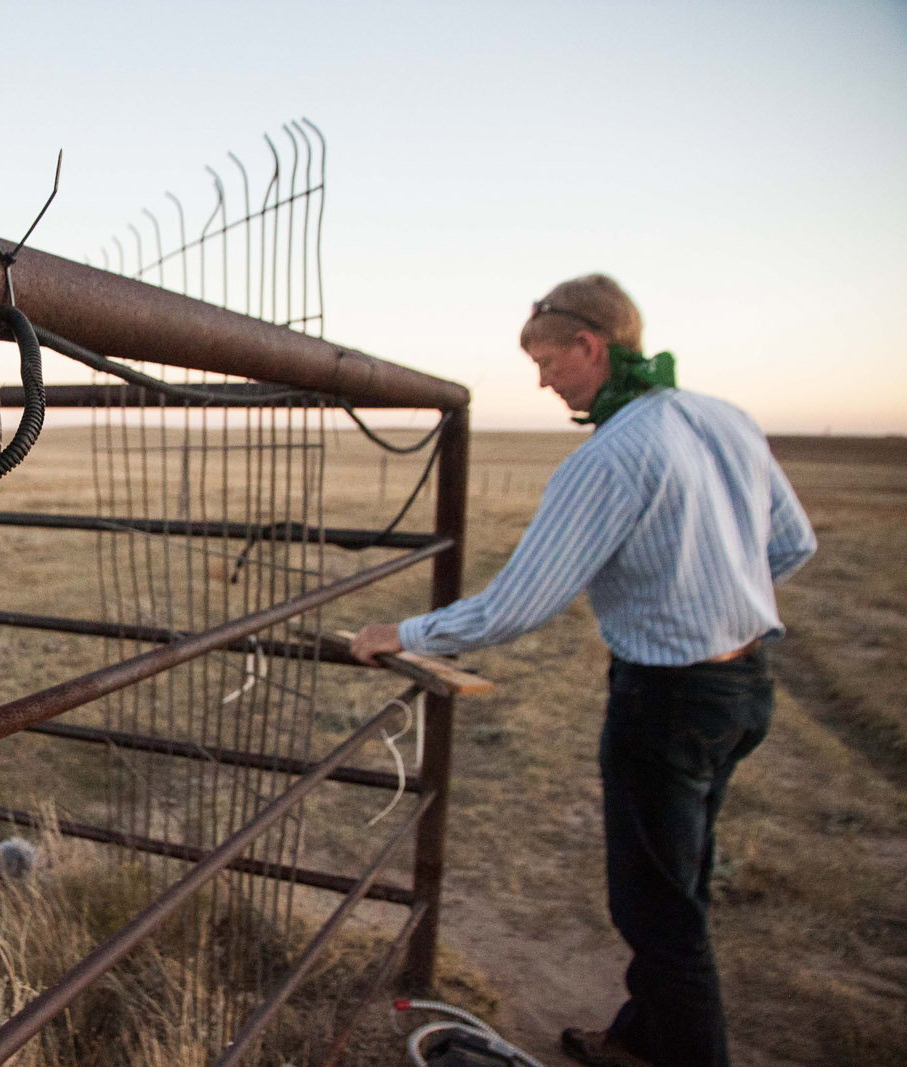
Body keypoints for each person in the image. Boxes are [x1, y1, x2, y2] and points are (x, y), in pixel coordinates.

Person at [349, 274, 817, 1067]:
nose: (541, 380)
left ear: (589, 346)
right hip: (744, 688)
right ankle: (638, 1040)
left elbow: (517, 606)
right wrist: (719, 591)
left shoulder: (613, 456)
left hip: (667, 698)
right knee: (681, 879)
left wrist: (402, 630)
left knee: (657, 912)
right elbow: (792, 544)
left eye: (546, 360)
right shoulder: (724, 419)